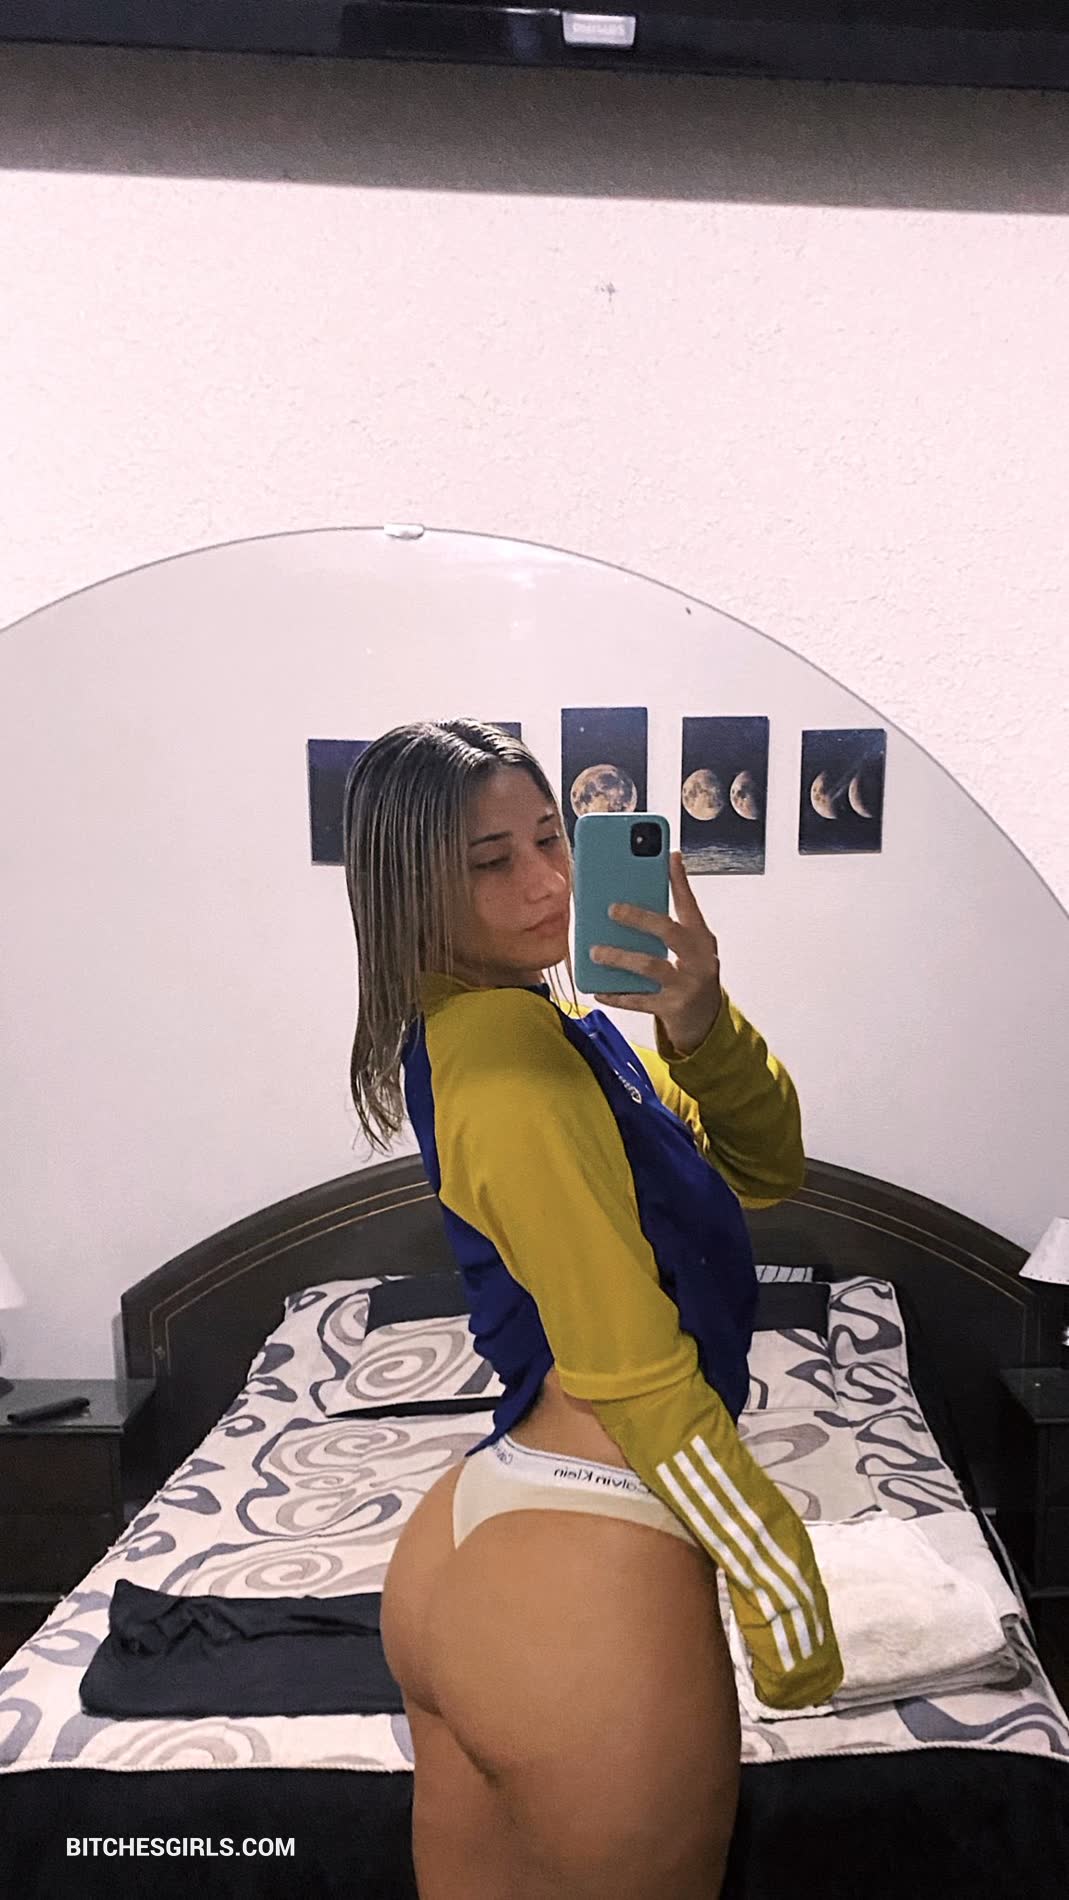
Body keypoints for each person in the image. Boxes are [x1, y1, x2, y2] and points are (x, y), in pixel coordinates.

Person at [342, 720, 843, 1900]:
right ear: (410, 886)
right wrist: (776, 1578)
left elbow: (763, 1166)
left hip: (498, 1537)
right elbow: (629, 1363)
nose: (546, 882)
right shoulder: (508, 1070)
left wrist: (697, 1017)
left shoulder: (558, 1030)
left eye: (551, 838)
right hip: (590, 1550)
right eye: (490, 860)